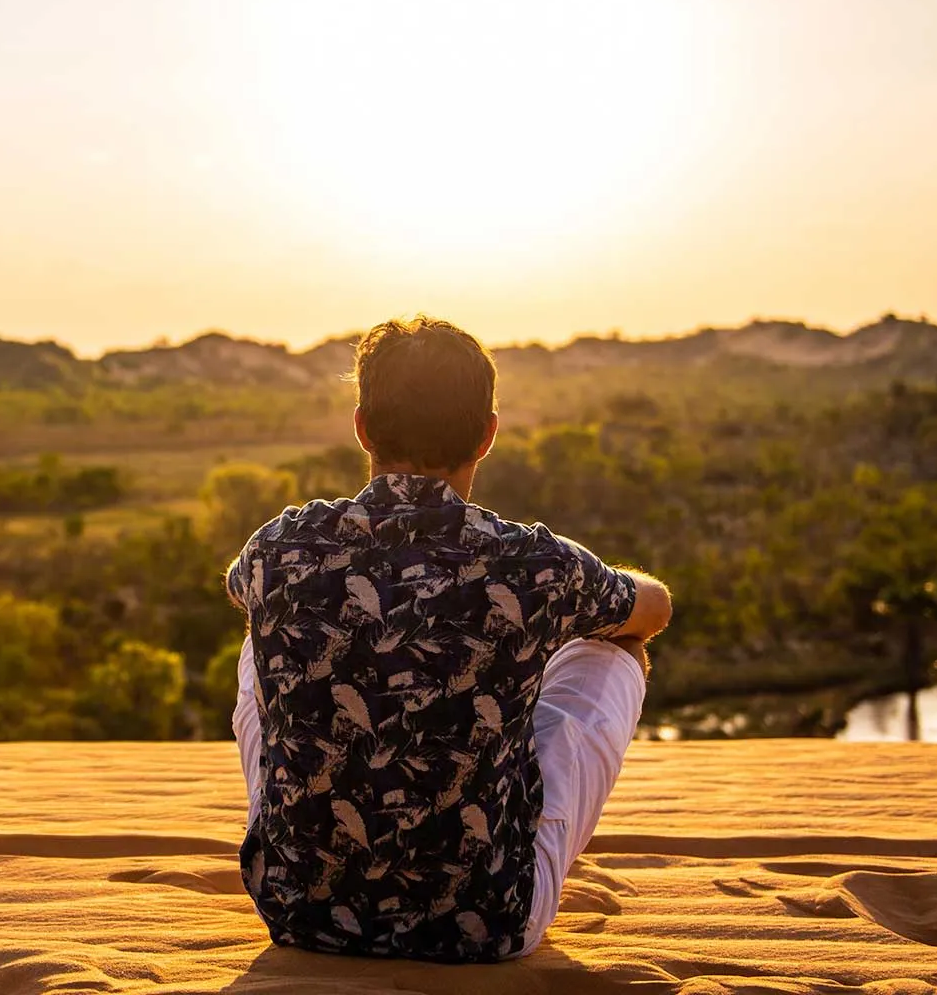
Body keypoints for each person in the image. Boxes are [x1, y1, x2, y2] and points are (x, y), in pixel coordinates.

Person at [224, 315, 670, 963]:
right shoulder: (536, 564)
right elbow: (652, 611)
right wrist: (567, 604)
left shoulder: (278, 546)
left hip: (299, 912)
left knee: (259, 637)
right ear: (488, 435)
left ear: (362, 427)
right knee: (616, 645)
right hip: (484, 925)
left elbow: (242, 591)